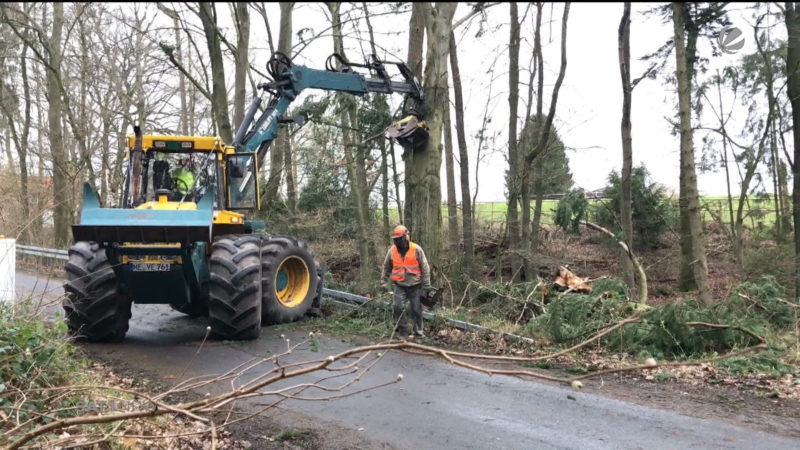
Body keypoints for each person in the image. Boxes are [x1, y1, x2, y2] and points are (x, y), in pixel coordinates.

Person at [381, 225, 432, 339]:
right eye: (395, 239)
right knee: (397, 307)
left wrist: (427, 284)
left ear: (406, 237)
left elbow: (425, 267)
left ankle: (418, 332)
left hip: (415, 285)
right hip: (399, 285)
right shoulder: (392, 251)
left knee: (416, 310)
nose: (397, 241)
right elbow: (386, 266)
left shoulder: (416, 249)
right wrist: (383, 282)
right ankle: (403, 331)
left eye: (399, 239)